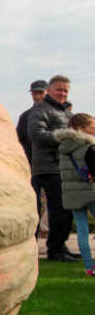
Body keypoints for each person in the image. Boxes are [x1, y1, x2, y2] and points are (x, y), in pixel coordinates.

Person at [28, 75, 78, 262]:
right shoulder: (41, 110)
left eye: (65, 90)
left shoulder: (65, 112)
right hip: (48, 166)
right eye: (59, 89)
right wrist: (64, 137)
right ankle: (55, 251)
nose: (63, 93)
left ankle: (60, 246)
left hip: (62, 166)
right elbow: (35, 133)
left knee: (65, 207)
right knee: (60, 207)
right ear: (49, 90)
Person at [56, 113, 95, 276]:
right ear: (81, 129)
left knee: (82, 231)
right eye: (92, 127)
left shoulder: (64, 147)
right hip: (90, 193)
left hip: (71, 194)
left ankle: (89, 267)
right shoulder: (89, 147)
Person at [17, 80, 48, 237]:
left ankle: (57, 246)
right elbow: (19, 139)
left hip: (54, 166)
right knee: (34, 201)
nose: (37, 96)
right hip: (33, 166)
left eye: (40, 93)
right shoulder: (25, 116)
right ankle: (33, 238)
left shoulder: (56, 114)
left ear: (47, 93)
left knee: (58, 205)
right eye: (34, 93)